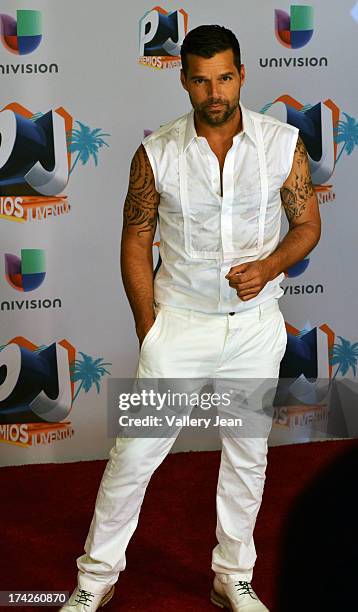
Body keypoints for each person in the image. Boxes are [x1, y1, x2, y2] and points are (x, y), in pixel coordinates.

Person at [61, 25, 321, 612]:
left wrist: (270, 264)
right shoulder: (156, 153)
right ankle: (94, 580)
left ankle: (233, 575)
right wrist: (148, 326)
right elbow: (136, 238)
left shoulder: (283, 144)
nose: (214, 92)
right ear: (183, 81)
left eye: (224, 77)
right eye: (200, 80)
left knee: (247, 453)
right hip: (179, 324)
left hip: (256, 327)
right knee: (133, 455)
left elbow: (307, 226)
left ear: (241, 75)